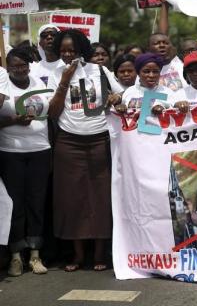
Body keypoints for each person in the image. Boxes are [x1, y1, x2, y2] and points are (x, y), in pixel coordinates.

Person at [47, 29, 123, 272]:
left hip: (100, 140)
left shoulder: (99, 70)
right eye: (63, 51)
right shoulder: (56, 73)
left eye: (71, 50)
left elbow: (121, 95)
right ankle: (78, 255)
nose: (67, 55)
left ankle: (100, 253)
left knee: (100, 197)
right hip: (69, 142)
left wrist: (115, 99)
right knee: (72, 199)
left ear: (81, 49)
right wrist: (64, 81)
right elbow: (52, 112)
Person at [0, 48, 52, 276]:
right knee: (15, 204)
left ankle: (35, 254)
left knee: (36, 202)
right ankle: (15, 256)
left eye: (23, 65)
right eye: (15, 66)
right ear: (8, 67)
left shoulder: (39, 83)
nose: (20, 70)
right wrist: (14, 121)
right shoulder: (3, 87)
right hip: (10, 152)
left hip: (40, 150)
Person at [113, 53, 173, 117]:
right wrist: (120, 107)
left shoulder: (167, 93)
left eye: (155, 72)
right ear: (138, 73)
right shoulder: (129, 91)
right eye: (146, 71)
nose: (151, 75)